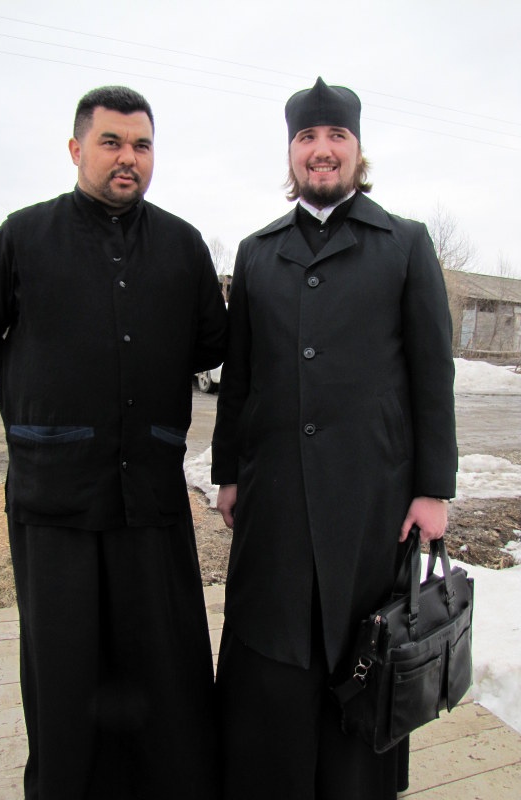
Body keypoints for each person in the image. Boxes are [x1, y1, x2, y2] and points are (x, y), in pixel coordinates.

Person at [0, 85, 226, 800]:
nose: (127, 158)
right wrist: (39, 381)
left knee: (161, 660)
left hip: (149, 492)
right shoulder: (24, 236)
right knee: (64, 664)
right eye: (111, 142)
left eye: (141, 145)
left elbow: (209, 343)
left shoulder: (183, 246)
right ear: (77, 149)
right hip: (55, 493)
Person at [211, 76, 457, 800]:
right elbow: (240, 377)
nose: (322, 150)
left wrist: (433, 489)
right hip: (275, 500)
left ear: (357, 149)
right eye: (307, 138)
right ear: (291, 152)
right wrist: (229, 473)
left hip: (372, 501)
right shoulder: (257, 253)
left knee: (363, 655)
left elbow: (431, 374)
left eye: (336, 137)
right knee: (272, 654)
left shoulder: (404, 244)